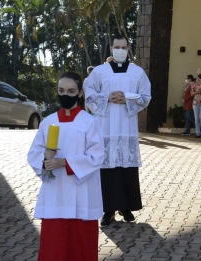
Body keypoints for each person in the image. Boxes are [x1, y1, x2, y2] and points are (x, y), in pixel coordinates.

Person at [27, 72, 105, 261]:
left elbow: (97, 155)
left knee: (81, 246)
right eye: (61, 90)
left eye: (71, 91)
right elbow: (33, 154)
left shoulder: (90, 122)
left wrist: (64, 162)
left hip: (82, 192)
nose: (65, 95)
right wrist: (45, 160)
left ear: (80, 93)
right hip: (56, 192)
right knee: (54, 245)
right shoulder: (48, 122)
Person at [84, 34, 152, 226]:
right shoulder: (99, 71)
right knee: (108, 169)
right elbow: (89, 93)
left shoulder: (137, 72)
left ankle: (126, 206)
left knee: (126, 168)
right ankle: (108, 210)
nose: (120, 50)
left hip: (127, 128)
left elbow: (146, 96)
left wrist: (127, 98)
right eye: (117, 47)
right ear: (111, 49)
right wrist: (107, 97)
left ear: (128, 49)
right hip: (105, 128)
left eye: (123, 47)